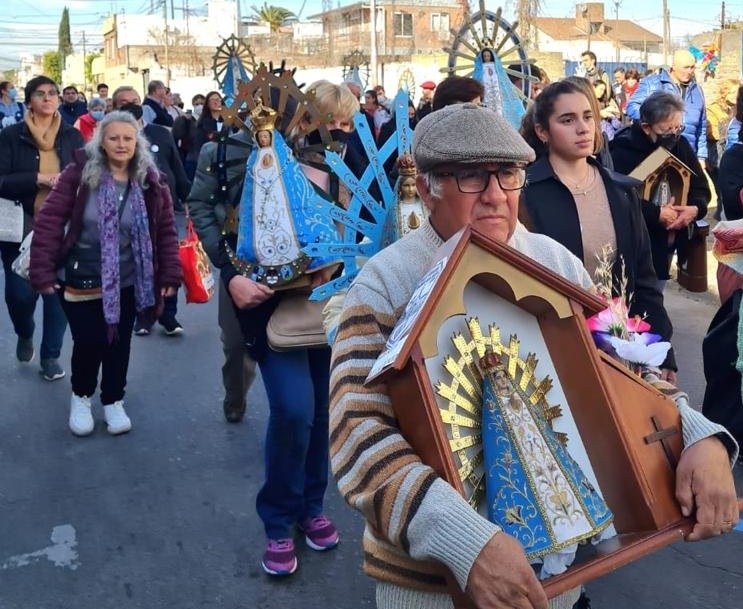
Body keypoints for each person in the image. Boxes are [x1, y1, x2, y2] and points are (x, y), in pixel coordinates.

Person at [329, 101, 738, 609]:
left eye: (508, 174)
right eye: (471, 178)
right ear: (431, 187)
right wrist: (468, 544)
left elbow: (629, 362)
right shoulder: (384, 283)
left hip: (560, 583)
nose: (496, 196)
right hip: (432, 591)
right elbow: (358, 438)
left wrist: (700, 435)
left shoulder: (555, 261)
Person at [192, 81, 358, 575]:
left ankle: (311, 506)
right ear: (306, 115)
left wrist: (345, 257)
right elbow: (202, 207)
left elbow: (355, 220)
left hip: (329, 305)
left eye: (347, 123)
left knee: (322, 414)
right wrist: (232, 274)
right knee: (292, 410)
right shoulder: (230, 148)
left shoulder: (338, 160)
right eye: (332, 121)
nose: (340, 132)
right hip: (267, 306)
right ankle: (278, 519)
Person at [29, 110, 182, 436]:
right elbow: (50, 222)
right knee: (90, 340)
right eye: (114, 138)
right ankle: (81, 396)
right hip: (80, 276)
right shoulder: (78, 175)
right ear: (101, 141)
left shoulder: (151, 181)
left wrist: (169, 274)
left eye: (128, 138)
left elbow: (166, 231)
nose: (121, 144)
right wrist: (41, 271)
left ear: (137, 142)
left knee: (118, 343)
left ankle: (113, 400)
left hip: (129, 279)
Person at [519, 80, 677, 379]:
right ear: (543, 131)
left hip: (622, 353)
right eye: (567, 120)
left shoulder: (621, 190)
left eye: (588, 116)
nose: (582, 128)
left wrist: (665, 352)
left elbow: (644, 280)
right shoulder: (523, 192)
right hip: (551, 354)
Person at [0, 75, 84, 380]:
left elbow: (86, 175)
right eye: (40, 94)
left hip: (62, 226)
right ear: (29, 101)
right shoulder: (11, 136)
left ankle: (50, 356)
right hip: (21, 225)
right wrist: (38, 178)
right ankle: (25, 332)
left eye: (53, 93)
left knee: (57, 292)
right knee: (19, 296)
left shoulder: (72, 136)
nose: (48, 98)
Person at [610, 91, 710, 292]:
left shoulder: (679, 144)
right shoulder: (622, 149)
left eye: (678, 128)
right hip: (634, 243)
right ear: (646, 127)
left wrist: (694, 209)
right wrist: (656, 213)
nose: (674, 135)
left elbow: (700, 187)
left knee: (656, 293)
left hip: (667, 243)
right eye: (666, 131)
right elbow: (618, 197)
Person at [111, 85, 191, 335]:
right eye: (124, 102)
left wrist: (188, 200)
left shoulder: (160, 133)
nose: (131, 105)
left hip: (161, 207)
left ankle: (169, 315)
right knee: (137, 262)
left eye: (135, 101)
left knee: (168, 257)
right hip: (126, 210)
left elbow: (176, 166)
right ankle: (142, 314)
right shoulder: (110, 138)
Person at [625, 50, 708, 164]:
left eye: (692, 67)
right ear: (673, 66)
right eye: (685, 67)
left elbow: (702, 126)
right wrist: (655, 119)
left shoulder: (697, 91)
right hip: (654, 155)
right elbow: (631, 107)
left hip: (687, 155)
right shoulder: (652, 83)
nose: (689, 71)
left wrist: (701, 156)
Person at [705, 79, 738, 219]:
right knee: (721, 190)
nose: (738, 95)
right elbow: (711, 133)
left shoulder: (738, 107)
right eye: (734, 92)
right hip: (716, 155)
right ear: (726, 93)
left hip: (731, 153)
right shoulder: (713, 109)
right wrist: (729, 128)